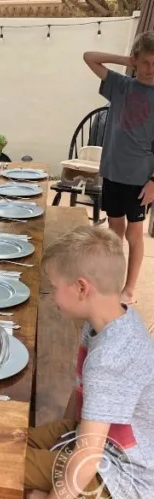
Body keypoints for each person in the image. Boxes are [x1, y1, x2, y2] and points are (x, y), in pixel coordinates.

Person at [0, 226, 154, 499]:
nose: (49, 295)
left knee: (0, 464)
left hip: (124, 481)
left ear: (81, 288)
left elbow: (88, 457)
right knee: (9, 440)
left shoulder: (110, 359)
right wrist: (57, 438)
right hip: (104, 446)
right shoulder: (111, 319)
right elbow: (82, 396)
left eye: (52, 287)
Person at [83, 31, 154, 305]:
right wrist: (124, 59)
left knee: (135, 233)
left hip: (139, 176)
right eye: (146, 62)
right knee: (115, 230)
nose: (150, 69)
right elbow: (89, 58)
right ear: (136, 61)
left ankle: (129, 289)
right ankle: (112, 281)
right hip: (113, 170)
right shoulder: (121, 86)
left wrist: (153, 181)